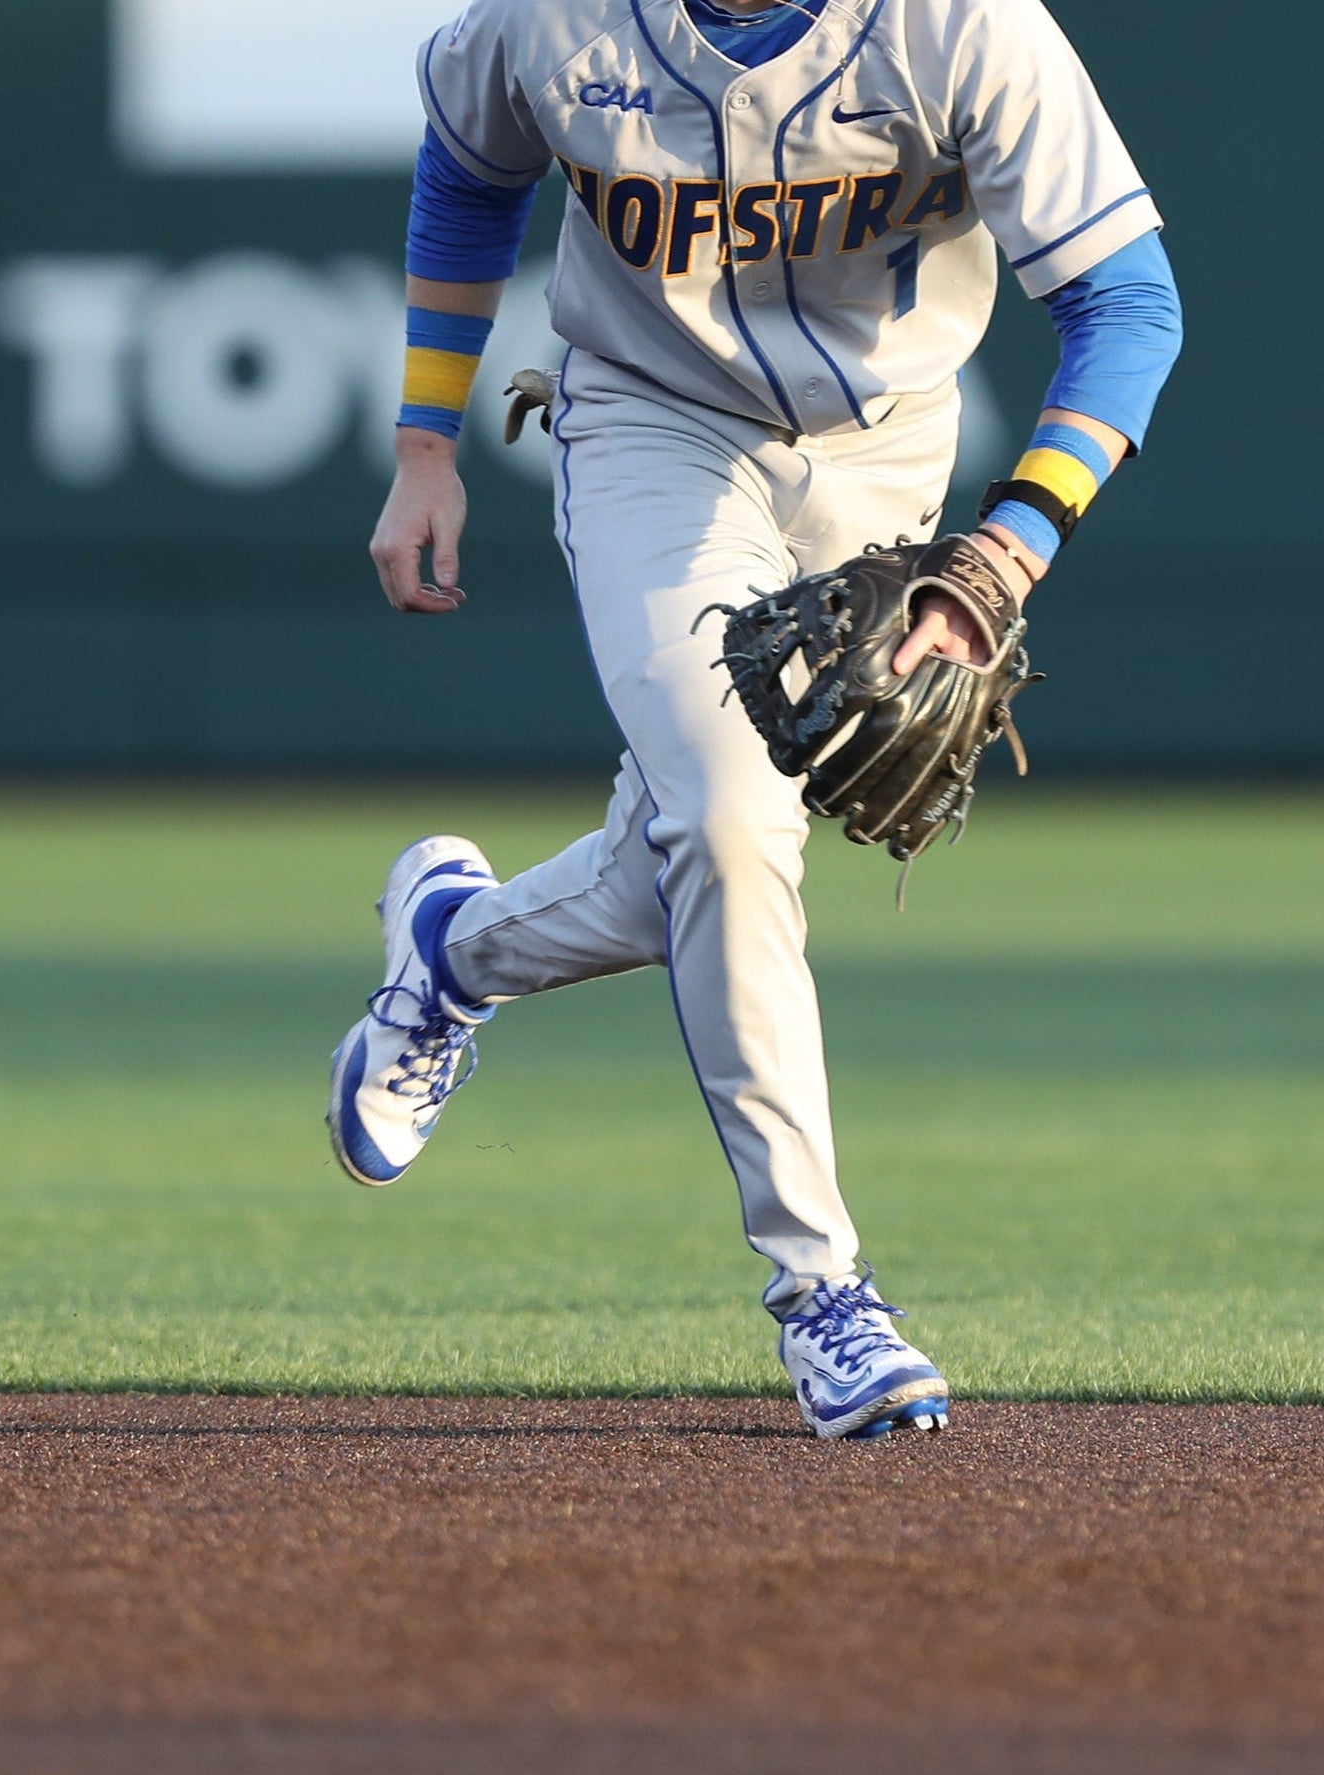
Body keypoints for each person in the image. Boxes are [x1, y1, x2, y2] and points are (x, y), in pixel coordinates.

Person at [333, 0, 1181, 1439]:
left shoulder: (960, 26)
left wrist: (994, 563)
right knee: (730, 822)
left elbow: (1128, 303)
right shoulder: (559, 18)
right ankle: (823, 1292)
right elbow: (470, 163)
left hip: (887, 458)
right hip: (654, 429)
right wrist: (426, 440)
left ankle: (454, 950)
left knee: (679, 864)